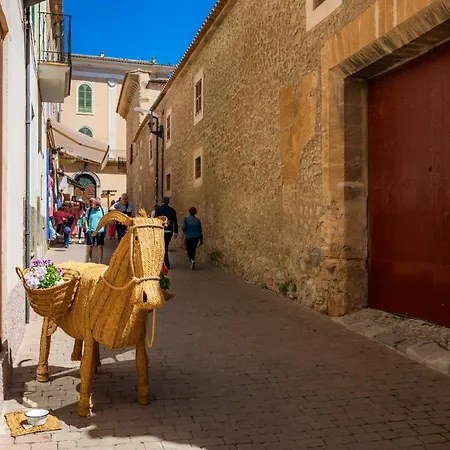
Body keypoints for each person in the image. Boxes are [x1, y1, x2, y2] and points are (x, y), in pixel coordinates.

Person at [155, 197, 178, 269]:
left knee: (163, 247)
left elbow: (155, 220)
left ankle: (165, 264)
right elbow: (175, 222)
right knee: (166, 247)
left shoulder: (158, 210)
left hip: (161, 230)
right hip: (169, 231)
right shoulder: (172, 210)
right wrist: (176, 232)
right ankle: (165, 263)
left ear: (162, 201)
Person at [84, 198, 106, 263]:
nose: (97, 206)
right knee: (90, 246)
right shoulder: (89, 210)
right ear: (93, 204)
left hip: (100, 231)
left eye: (99, 204)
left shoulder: (102, 210)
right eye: (96, 204)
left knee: (100, 246)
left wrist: (105, 230)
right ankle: (90, 259)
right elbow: (85, 220)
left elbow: (105, 221)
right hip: (91, 230)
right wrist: (87, 229)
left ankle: (99, 261)